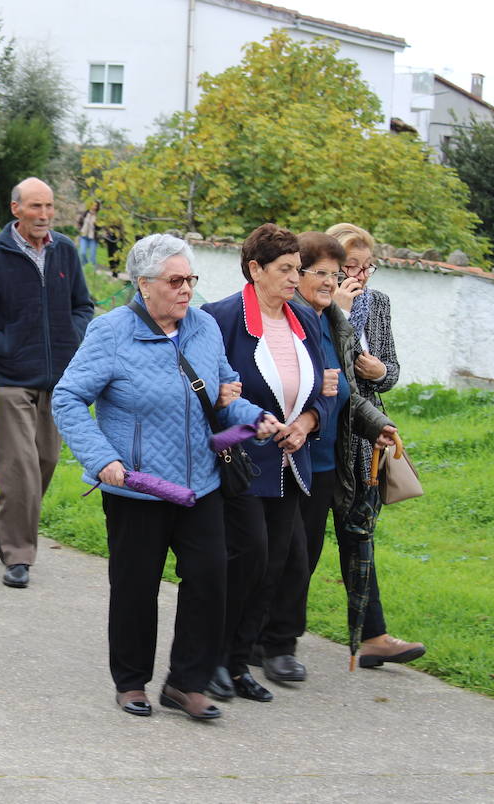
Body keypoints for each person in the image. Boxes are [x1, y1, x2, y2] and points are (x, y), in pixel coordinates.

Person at [54, 234, 280, 720]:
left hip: (201, 483)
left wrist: (258, 421)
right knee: (136, 585)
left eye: (191, 280)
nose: (186, 290)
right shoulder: (110, 332)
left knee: (209, 580)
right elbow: (68, 398)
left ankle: (186, 683)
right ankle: (131, 681)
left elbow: (222, 399)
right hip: (139, 486)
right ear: (144, 284)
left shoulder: (203, 328)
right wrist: (100, 458)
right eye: (176, 281)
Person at [258, 232, 405, 672]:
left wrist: (376, 423)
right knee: (282, 553)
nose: (335, 280)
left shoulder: (336, 322)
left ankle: (279, 642)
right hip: (287, 453)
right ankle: (263, 640)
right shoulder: (291, 320)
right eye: (322, 273)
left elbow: (345, 390)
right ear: (295, 274)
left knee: (306, 554)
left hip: (332, 457)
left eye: (338, 273)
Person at [201, 223, 334, 701]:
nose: (295, 280)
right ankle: (212, 658)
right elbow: (203, 389)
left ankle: (239, 665)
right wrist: (228, 403)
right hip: (240, 460)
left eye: (298, 270)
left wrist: (309, 422)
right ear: (255, 269)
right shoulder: (219, 318)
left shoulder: (306, 321)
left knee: (273, 565)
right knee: (247, 557)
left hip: (290, 461)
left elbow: (326, 388)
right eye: (285, 270)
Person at [0, 177, 92, 587]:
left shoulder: (66, 252)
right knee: (19, 467)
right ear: (15, 209)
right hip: (11, 377)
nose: (44, 215)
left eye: (49, 207)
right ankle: (18, 555)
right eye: (35, 207)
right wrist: (2, 344)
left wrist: (72, 338)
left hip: (57, 378)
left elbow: (83, 305)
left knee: (45, 461)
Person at [326, 222, 425, 668]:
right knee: (297, 539)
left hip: (365, 432)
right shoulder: (316, 300)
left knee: (359, 530)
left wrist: (378, 371)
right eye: (351, 266)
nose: (361, 276)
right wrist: (338, 313)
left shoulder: (378, 304)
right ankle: (264, 632)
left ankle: (373, 636)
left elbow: (394, 370)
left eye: (368, 267)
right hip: (321, 425)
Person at [77, 202, 99, 266]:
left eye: (95, 206)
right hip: (84, 236)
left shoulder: (98, 216)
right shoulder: (85, 214)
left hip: (93, 238)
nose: (94, 207)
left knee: (92, 256)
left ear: (97, 207)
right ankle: (85, 265)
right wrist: (80, 229)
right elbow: (80, 222)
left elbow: (100, 227)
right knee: (82, 253)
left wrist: (97, 225)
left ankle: (92, 271)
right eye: (92, 205)